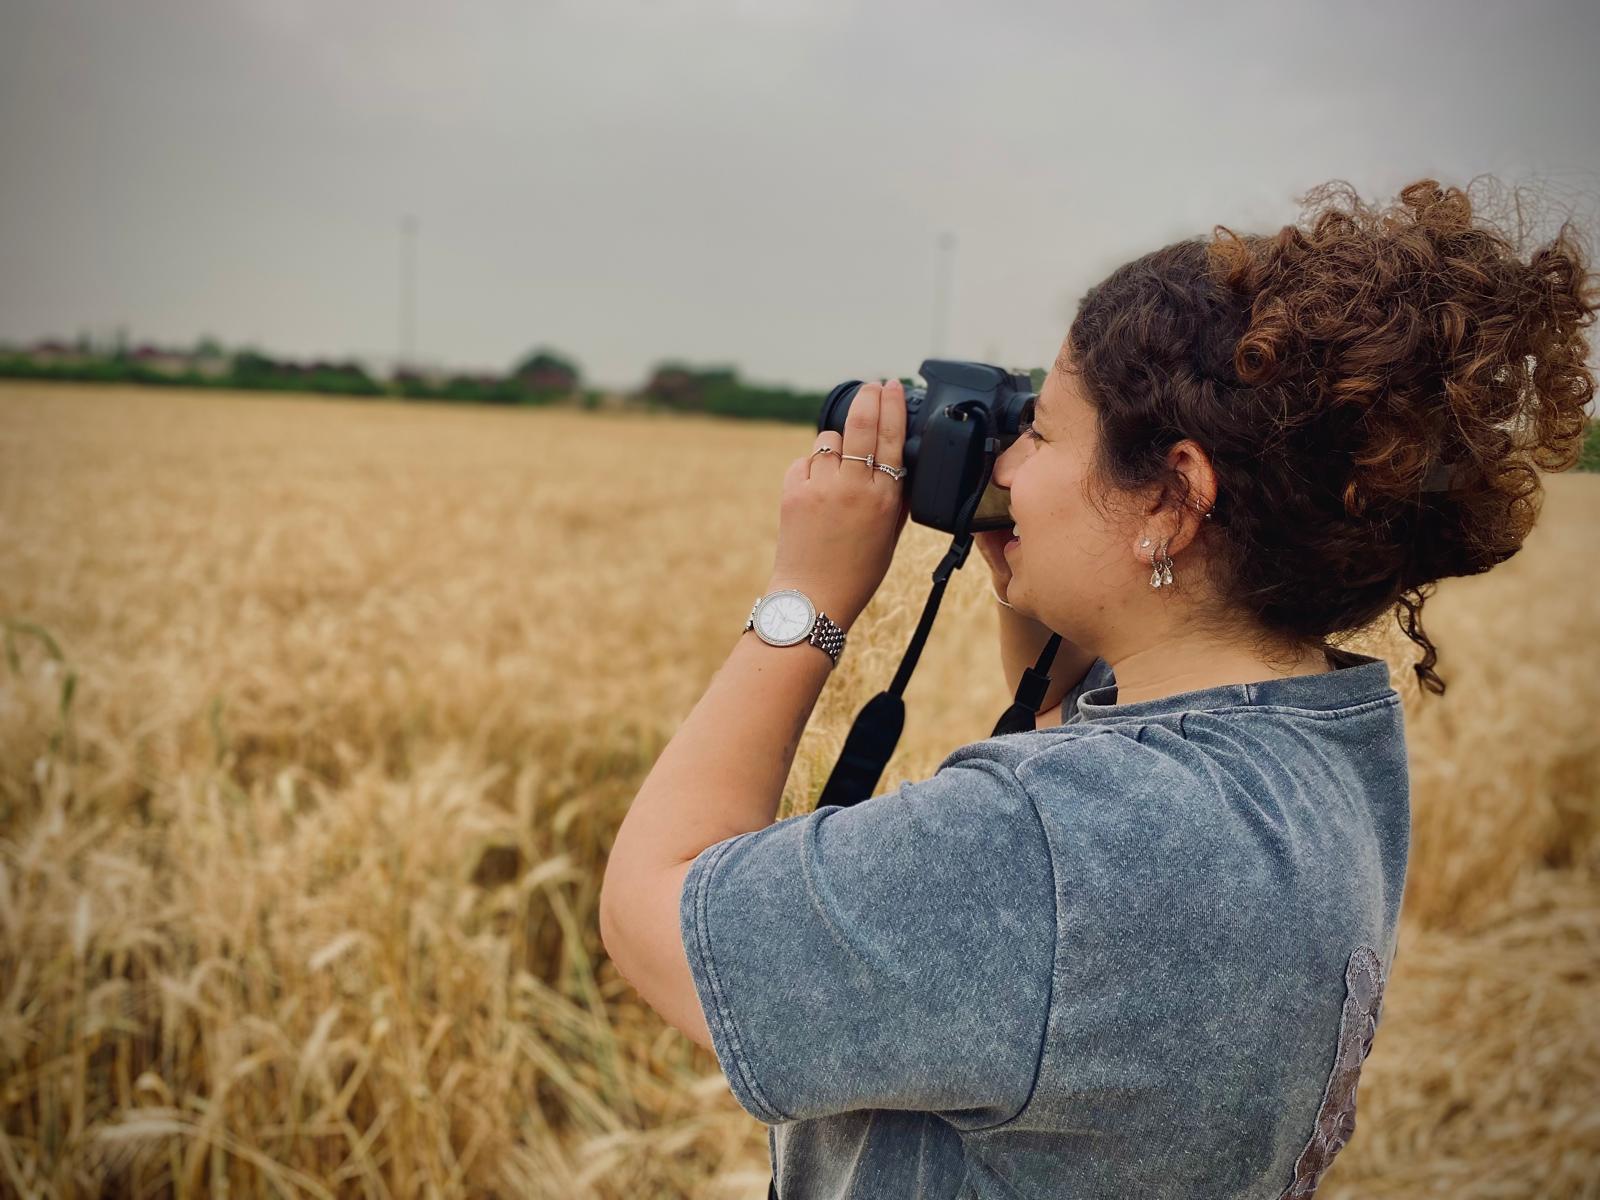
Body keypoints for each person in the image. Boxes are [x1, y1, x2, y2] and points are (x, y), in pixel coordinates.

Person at [598, 178, 1597, 1199]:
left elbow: (652, 917)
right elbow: (1086, 797)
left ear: (1171, 497)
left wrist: (803, 598)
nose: (1014, 461)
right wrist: (1035, 577)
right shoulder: (1328, 748)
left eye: (1047, 430)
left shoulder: (1047, 840)